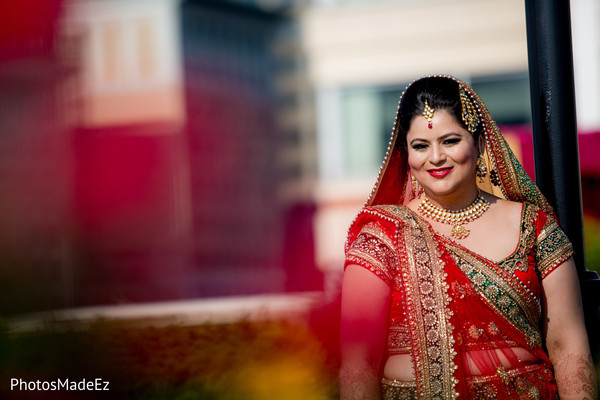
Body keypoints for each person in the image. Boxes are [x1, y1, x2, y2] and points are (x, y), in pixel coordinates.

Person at [339, 75, 597, 399]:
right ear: (405, 154)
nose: (435, 158)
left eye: (450, 141)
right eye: (420, 146)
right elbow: (357, 362)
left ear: (479, 143)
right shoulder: (382, 237)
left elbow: (567, 344)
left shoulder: (532, 227)